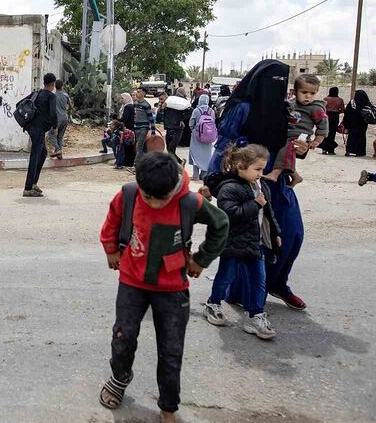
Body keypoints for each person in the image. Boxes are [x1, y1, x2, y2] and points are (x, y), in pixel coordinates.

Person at [98, 152, 228, 422]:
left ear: (175, 187)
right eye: (149, 197)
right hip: (131, 281)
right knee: (123, 338)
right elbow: (112, 220)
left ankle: (168, 405)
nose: (155, 203)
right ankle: (119, 378)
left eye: (162, 198)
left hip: (172, 287)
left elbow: (221, 225)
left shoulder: (190, 202)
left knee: (170, 350)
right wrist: (111, 249)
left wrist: (201, 259)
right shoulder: (129, 194)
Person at [208, 59, 309, 312]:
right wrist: (214, 180)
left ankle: (277, 283)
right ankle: (242, 293)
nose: (277, 87)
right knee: (251, 240)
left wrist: (303, 148)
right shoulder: (242, 107)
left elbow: (291, 140)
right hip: (248, 183)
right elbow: (225, 144)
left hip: (278, 182)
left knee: (292, 233)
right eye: (272, 81)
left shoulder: (286, 109)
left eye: (282, 82)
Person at [203, 143, 281, 340]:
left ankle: (255, 315)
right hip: (233, 243)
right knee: (226, 276)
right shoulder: (228, 188)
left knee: (258, 279)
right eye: (257, 169)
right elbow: (230, 214)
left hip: (255, 243)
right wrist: (255, 204)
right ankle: (213, 303)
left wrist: (275, 233)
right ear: (240, 166)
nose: (260, 173)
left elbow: (268, 214)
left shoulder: (260, 186)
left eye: (263, 169)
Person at [262, 74, 327, 186]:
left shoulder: (316, 108)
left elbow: (323, 126)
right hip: (287, 134)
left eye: (312, 93)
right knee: (283, 153)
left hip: (300, 136)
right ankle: (295, 176)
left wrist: (316, 141)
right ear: (295, 91)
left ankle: (275, 173)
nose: (308, 96)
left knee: (286, 149)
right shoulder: (291, 104)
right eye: (304, 92)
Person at [21, 73, 57, 197]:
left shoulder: (36, 93)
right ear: (52, 84)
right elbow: (53, 114)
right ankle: (28, 188)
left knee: (43, 153)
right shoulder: (51, 96)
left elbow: (21, 103)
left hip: (32, 128)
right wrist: (55, 127)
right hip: (38, 130)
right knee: (35, 156)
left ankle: (34, 183)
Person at [188, 94, 215, 181]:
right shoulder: (211, 111)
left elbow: (191, 123)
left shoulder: (196, 110)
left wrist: (194, 130)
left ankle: (195, 175)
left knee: (195, 154)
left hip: (197, 135)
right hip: (209, 135)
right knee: (206, 155)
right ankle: (203, 174)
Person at [343, 90, 372, 157]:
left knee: (351, 136)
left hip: (352, 123)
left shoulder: (352, 103)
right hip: (363, 123)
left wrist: (346, 123)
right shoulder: (366, 103)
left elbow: (347, 113)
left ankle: (350, 151)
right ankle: (360, 152)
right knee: (361, 136)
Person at [48, 79, 72, 159]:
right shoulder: (66, 95)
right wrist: (65, 110)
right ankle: (59, 155)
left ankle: (58, 149)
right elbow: (71, 106)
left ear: (55, 86)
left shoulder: (53, 96)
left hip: (57, 118)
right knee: (60, 136)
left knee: (51, 134)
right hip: (65, 117)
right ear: (62, 86)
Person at [162, 92, 190, 158]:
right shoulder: (167, 106)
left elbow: (189, 112)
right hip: (169, 128)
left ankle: (179, 163)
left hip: (177, 129)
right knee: (169, 150)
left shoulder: (179, 105)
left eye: (161, 99)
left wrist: (182, 119)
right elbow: (160, 118)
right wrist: (161, 109)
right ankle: (178, 163)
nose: (160, 101)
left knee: (171, 149)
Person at [319, 87, 345, 155]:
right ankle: (331, 150)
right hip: (335, 117)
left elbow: (322, 108)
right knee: (332, 133)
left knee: (325, 132)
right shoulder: (340, 100)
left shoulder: (326, 99)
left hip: (326, 116)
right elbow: (342, 110)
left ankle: (324, 149)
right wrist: (337, 112)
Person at [133, 89, 155, 166]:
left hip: (144, 127)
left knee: (139, 146)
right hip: (137, 127)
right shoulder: (135, 104)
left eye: (139, 92)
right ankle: (145, 162)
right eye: (137, 91)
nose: (137, 93)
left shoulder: (146, 105)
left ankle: (136, 164)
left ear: (144, 93)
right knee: (142, 146)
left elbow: (151, 118)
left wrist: (153, 131)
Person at [119, 92, 137, 166]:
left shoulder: (128, 107)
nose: (121, 100)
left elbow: (125, 118)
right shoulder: (126, 106)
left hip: (128, 128)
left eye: (122, 98)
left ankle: (128, 162)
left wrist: (117, 120)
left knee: (128, 145)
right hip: (128, 128)